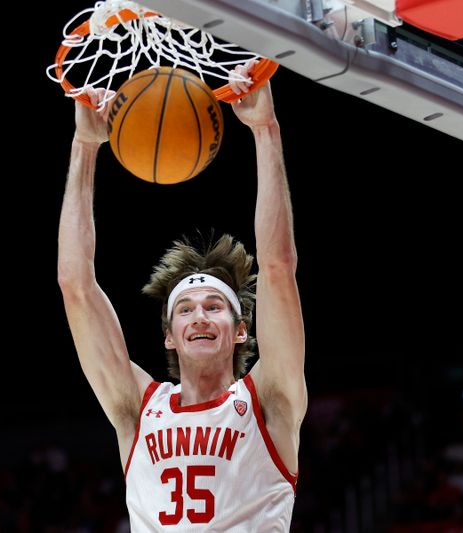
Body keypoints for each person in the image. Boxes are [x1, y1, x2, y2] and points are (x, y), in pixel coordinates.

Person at [57, 61, 306, 531]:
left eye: (215, 307)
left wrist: (265, 131)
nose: (200, 317)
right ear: (170, 336)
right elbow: (75, 285)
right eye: (186, 310)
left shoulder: (269, 399)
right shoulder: (137, 407)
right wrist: (85, 146)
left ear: (240, 331)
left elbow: (277, 268)